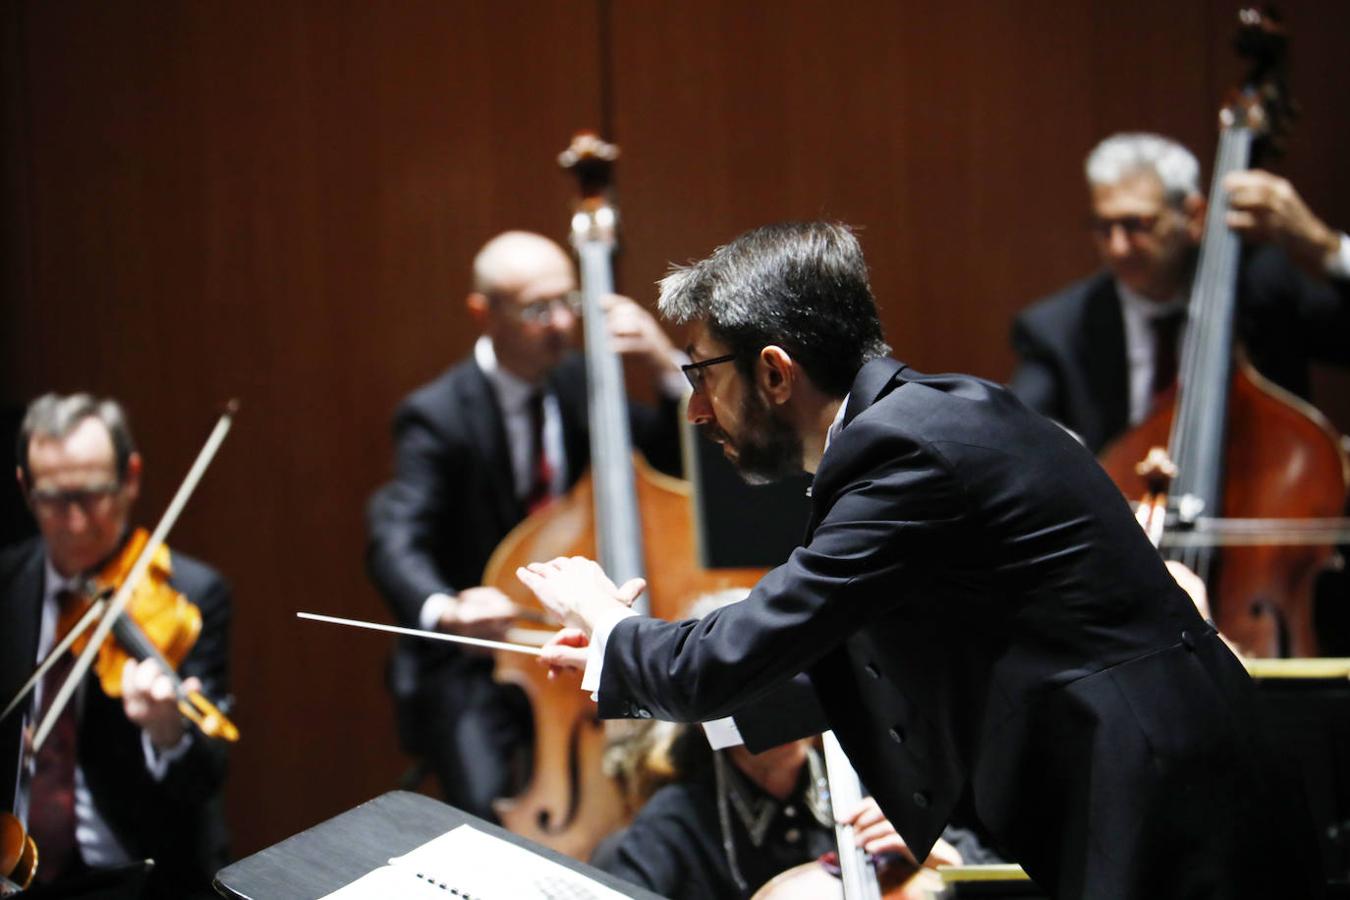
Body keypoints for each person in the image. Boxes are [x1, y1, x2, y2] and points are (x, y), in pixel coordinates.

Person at [517, 221, 1324, 899]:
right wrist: (618, 659)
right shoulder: (929, 421)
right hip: (1166, 794)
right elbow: (844, 656)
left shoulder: (902, 450)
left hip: (1167, 812)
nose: (693, 408)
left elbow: (740, 651)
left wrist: (610, 618)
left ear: (773, 371)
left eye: (702, 373)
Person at [365, 230, 684, 821]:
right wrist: (447, 606)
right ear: (483, 313)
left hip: (574, 649)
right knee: (486, 806)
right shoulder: (436, 417)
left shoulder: (581, 385)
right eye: (540, 310)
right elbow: (393, 536)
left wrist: (667, 366)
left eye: (571, 303)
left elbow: (672, 458)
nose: (562, 323)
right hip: (480, 658)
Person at [0, 393, 231, 899]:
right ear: (24, 488)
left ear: (130, 478)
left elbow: (206, 777)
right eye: (54, 500)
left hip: (134, 880)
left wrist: (169, 733)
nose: (76, 521)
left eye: (92, 495)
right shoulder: (7, 583)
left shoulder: (188, 596)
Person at [1009, 132, 1350, 453]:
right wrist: (1055, 450)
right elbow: (1017, 427)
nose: (1118, 248)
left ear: (1194, 216)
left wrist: (1325, 246)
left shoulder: (1264, 283)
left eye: (1136, 225)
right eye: (1103, 227)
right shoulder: (1057, 327)